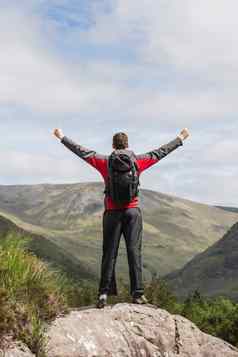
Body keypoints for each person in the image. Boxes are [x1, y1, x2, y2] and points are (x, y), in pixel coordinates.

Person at [53, 128, 190, 308]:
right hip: (132, 212)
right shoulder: (137, 161)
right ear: (127, 145)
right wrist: (180, 138)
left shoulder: (105, 162)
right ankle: (138, 294)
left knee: (109, 253)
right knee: (134, 252)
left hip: (111, 214)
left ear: (113, 145)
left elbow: (81, 151)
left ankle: (103, 295)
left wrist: (62, 137)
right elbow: (160, 152)